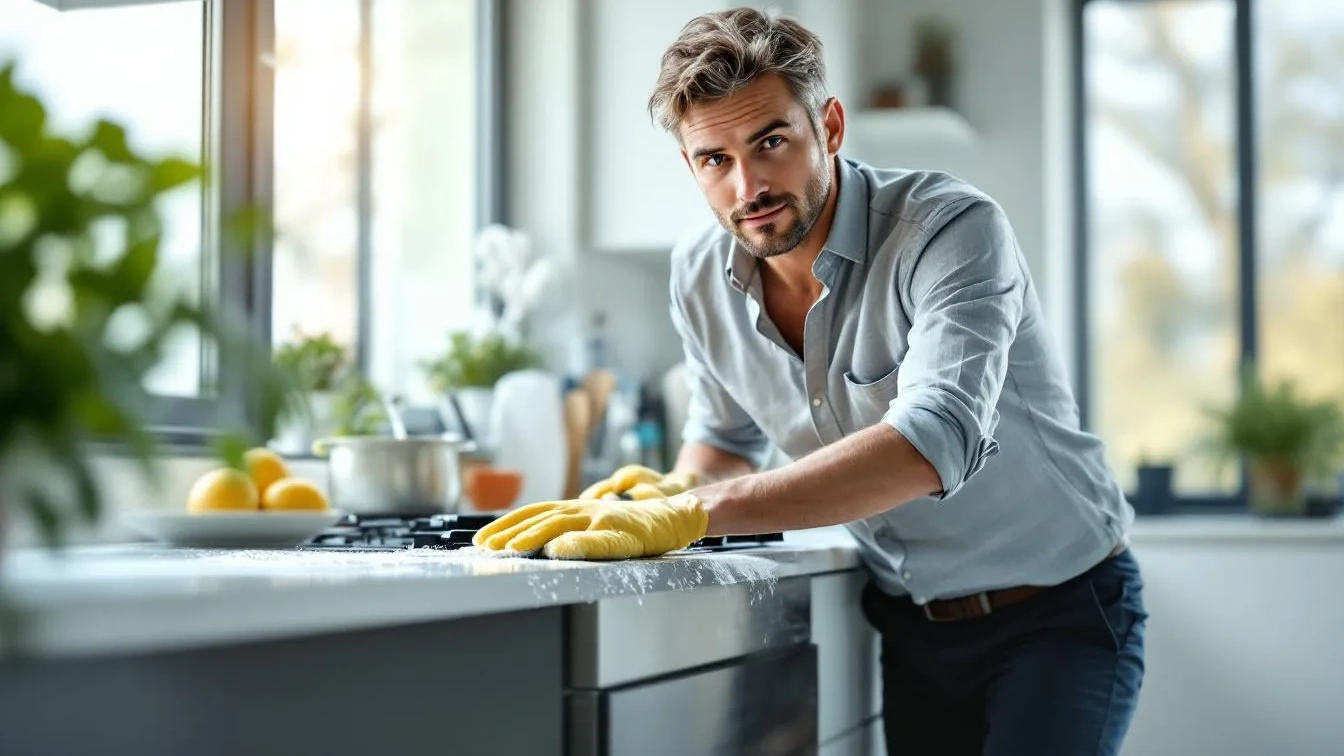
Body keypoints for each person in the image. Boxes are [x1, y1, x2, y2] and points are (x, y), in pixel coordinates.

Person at [473, 7, 1146, 755]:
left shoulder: (948, 230)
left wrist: (692, 513)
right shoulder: (699, 277)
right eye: (714, 159)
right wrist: (662, 493)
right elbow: (723, 440)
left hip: (1061, 611)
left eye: (771, 142)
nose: (748, 184)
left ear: (828, 126)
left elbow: (934, 440)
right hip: (910, 624)